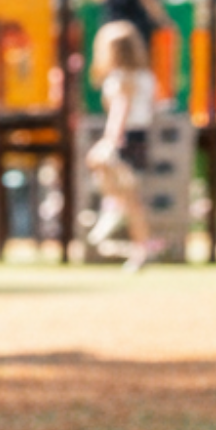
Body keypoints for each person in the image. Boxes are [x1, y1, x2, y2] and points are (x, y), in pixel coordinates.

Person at [85, 21, 165, 273]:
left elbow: (121, 109)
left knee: (100, 164)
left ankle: (113, 206)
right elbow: (156, 105)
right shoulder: (146, 77)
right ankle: (139, 241)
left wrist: (110, 140)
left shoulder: (121, 78)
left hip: (125, 136)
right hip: (141, 136)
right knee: (132, 198)